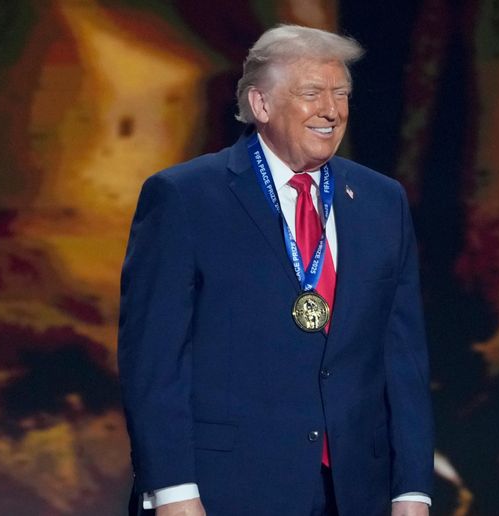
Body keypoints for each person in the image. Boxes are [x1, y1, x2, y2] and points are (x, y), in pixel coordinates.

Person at [118, 24, 433, 516]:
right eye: (312, 93)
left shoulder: (381, 201)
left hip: (354, 493)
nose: (332, 110)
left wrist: (411, 490)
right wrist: (174, 492)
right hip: (225, 492)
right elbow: (155, 362)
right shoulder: (185, 197)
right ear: (261, 105)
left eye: (341, 93)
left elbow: (404, 358)